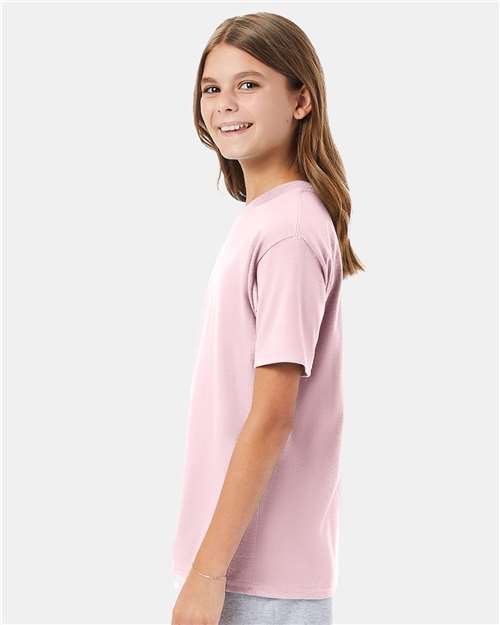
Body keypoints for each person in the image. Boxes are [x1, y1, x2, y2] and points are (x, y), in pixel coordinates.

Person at [170, 11, 364, 625]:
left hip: (256, 581)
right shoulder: (267, 220)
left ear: (301, 100)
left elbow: (273, 415)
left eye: (249, 84)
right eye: (212, 87)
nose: (225, 103)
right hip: (241, 570)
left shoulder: (289, 231)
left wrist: (208, 575)